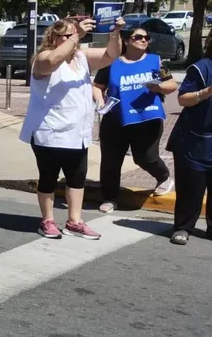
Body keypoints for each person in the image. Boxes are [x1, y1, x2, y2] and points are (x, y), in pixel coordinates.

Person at [20, 17, 124, 239]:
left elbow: (111, 55)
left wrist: (115, 33)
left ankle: (74, 221)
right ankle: (47, 220)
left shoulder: (80, 57)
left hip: (77, 133)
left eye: (72, 35)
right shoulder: (43, 59)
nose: (71, 39)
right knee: (48, 178)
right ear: (54, 38)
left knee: (77, 178)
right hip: (49, 132)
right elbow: (55, 58)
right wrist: (77, 35)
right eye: (65, 35)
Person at [93, 26, 178, 212]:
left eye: (146, 37)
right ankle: (110, 197)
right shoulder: (112, 62)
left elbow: (171, 84)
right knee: (111, 160)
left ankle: (164, 177)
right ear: (126, 40)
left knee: (146, 158)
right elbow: (98, 86)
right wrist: (100, 101)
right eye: (138, 37)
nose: (143, 40)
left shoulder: (155, 61)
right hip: (116, 119)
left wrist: (159, 87)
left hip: (147, 119)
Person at [167, 32, 212, 245]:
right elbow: (183, 99)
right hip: (194, 139)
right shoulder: (202, 67)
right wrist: (207, 92)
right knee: (191, 188)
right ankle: (183, 227)